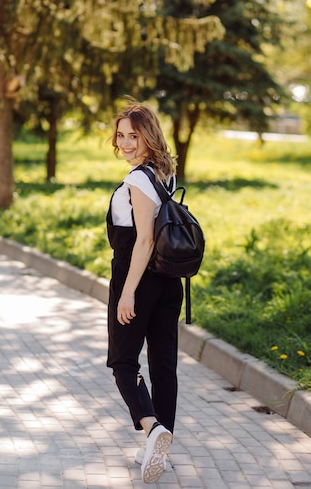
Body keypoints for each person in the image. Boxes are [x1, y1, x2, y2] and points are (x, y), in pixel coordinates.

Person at [106, 101, 184, 485]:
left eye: (132, 136)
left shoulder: (138, 180)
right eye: (121, 135)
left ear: (148, 135)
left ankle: (153, 430)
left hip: (137, 276)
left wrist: (128, 292)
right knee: (163, 365)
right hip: (170, 281)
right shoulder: (165, 173)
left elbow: (144, 241)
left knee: (122, 363)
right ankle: (161, 448)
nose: (125, 143)